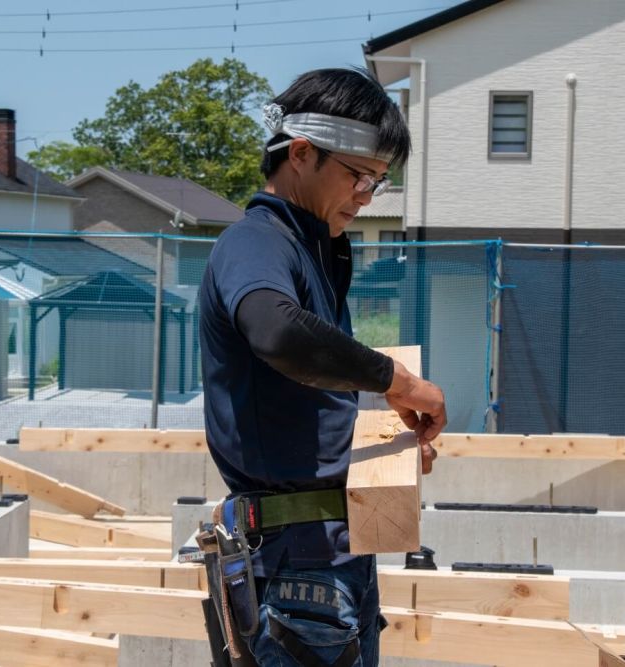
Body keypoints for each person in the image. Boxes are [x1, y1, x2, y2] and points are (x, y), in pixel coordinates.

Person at [198, 67, 447, 666]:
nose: (367, 196)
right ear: (302, 153)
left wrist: (385, 450)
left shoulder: (312, 251)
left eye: (379, 181)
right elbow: (280, 332)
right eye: (359, 175)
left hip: (332, 557)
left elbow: (310, 398)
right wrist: (400, 380)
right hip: (293, 569)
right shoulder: (257, 242)